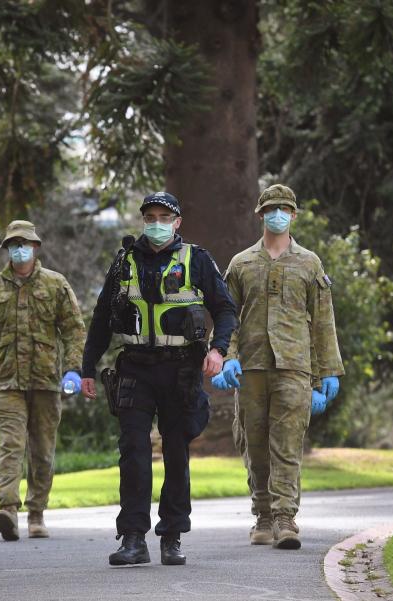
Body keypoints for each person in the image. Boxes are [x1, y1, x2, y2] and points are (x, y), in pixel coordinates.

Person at [81, 192, 237, 567]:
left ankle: (172, 535)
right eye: (149, 216)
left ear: (177, 221)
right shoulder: (125, 262)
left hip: (182, 368)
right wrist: (87, 368)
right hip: (135, 367)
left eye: (163, 216)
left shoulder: (196, 260)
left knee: (176, 452)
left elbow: (225, 308)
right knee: (133, 451)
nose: (156, 222)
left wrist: (219, 350)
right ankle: (133, 538)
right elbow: (102, 317)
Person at [211, 184, 344, 550]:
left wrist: (328, 370)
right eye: (271, 208)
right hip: (251, 367)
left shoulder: (309, 263)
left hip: (294, 367)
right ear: (260, 214)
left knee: (286, 444)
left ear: (294, 215)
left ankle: (286, 518)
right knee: (253, 444)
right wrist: (227, 355)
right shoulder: (241, 264)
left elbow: (322, 320)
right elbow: (226, 316)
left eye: (285, 208)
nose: (278, 214)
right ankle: (263, 515)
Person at [0, 220, 86, 541]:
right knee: (11, 445)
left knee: (42, 450)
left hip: (46, 380)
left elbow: (74, 329)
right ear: (6, 249)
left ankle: (36, 513)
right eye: (14, 244)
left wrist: (73, 368)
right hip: (7, 383)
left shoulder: (56, 285)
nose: (20, 249)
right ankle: (8, 510)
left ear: (35, 247)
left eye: (25, 243)